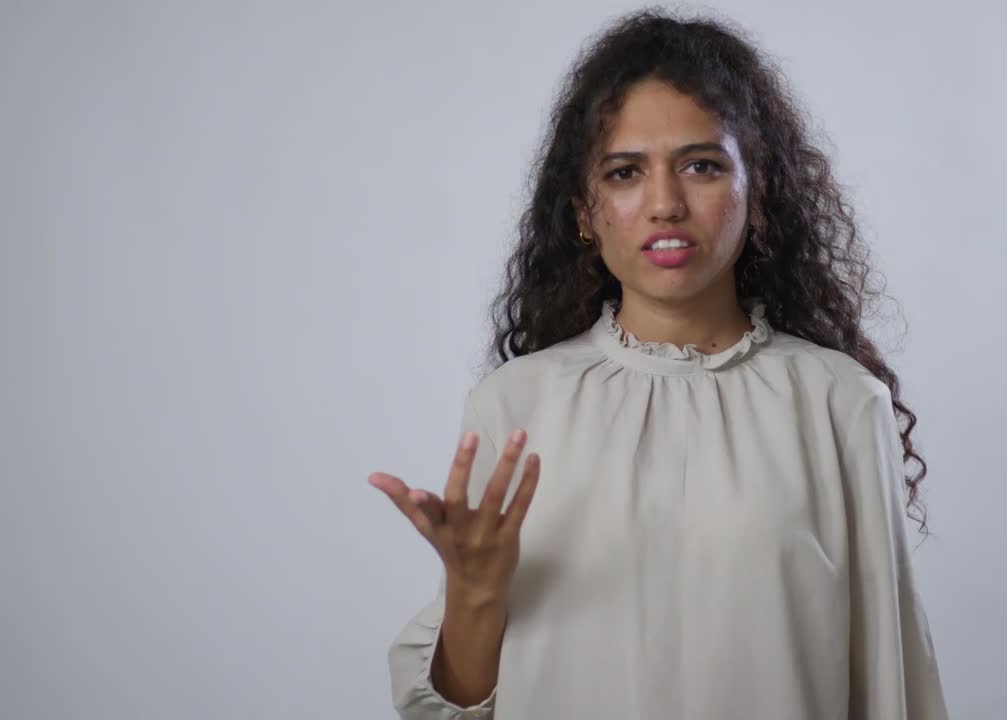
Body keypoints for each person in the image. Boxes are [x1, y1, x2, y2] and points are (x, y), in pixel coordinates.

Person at [368, 9, 948, 719]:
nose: (666, 204)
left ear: (758, 191)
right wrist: (476, 595)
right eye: (625, 173)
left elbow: (891, 685)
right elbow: (453, 707)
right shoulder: (516, 405)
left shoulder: (840, 403)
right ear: (584, 212)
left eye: (702, 166)